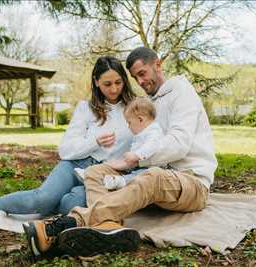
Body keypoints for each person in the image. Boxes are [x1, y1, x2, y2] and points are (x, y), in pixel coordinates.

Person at [24, 47, 217, 257]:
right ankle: (108, 227)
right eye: (136, 78)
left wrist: (135, 160)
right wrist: (119, 165)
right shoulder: (151, 102)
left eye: (143, 73)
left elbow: (179, 144)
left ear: (158, 65)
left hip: (191, 183)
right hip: (157, 183)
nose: (141, 82)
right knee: (97, 172)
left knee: (153, 176)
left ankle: (66, 224)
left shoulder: (181, 91)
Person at [0, 56, 136, 220]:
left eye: (118, 82)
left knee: (70, 205)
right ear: (96, 82)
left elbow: (145, 142)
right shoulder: (85, 108)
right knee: (43, 200)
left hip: (105, 174)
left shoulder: (135, 108)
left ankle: (52, 202)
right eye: (107, 84)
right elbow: (65, 150)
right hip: (76, 165)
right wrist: (94, 141)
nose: (114, 89)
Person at [103, 97, 164, 190]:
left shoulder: (153, 130)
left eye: (129, 123)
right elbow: (132, 161)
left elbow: (152, 145)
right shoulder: (141, 134)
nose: (128, 127)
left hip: (153, 169)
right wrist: (116, 164)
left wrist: (136, 155)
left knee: (142, 177)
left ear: (140, 119)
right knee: (134, 173)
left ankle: (121, 181)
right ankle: (100, 174)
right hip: (139, 167)